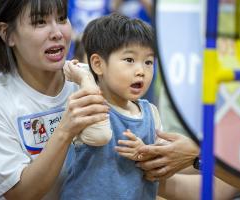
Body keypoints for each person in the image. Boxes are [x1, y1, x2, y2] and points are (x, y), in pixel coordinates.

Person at [0, 0, 109, 199]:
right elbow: (22, 194)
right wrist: (66, 129)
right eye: (40, 22)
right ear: (7, 34)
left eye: (62, 18)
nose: (57, 33)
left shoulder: (93, 79)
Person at [60, 13, 163, 200]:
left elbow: (163, 164)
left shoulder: (151, 113)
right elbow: (100, 135)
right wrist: (86, 78)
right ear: (98, 64)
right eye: (129, 60)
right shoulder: (85, 104)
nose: (141, 71)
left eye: (148, 62)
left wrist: (145, 154)